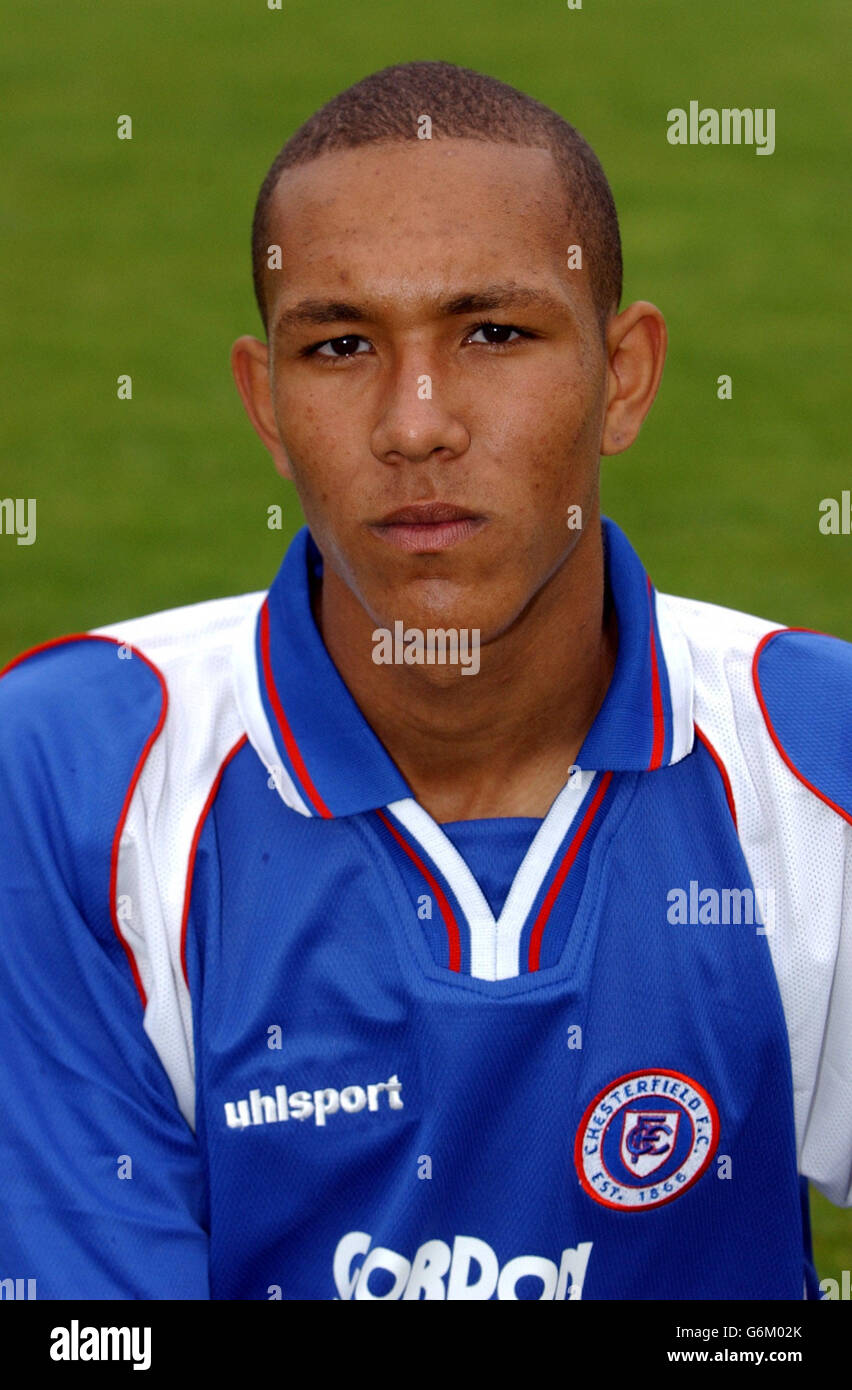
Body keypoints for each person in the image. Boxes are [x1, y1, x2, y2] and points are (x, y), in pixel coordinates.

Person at [0, 60, 848, 1302]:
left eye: (492, 333)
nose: (416, 421)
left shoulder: (818, 755)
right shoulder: (67, 778)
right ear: (267, 404)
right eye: (341, 345)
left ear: (626, 376)